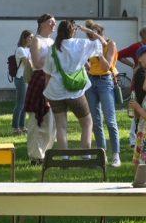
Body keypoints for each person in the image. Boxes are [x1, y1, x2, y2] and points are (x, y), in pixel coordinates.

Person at [44, 19, 114, 150]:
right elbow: (103, 43)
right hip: (75, 91)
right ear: (73, 31)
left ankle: (64, 157)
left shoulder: (52, 48)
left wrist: (46, 94)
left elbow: (47, 74)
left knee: (61, 126)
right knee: (87, 123)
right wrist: (89, 31)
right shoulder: (81, 43)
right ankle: (86, 154)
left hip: (55, 91)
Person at [82, 21, 122, 166]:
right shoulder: (91, 44)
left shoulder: (110, 44)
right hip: (92, 81)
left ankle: (116, 155)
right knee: (96, 121)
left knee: (110, 120)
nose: (90, 38)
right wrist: (85, 62)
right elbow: (89, 65)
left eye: (92, 35)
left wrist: (99, 52)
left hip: (105, 81)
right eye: (88, 36)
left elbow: (106, 67)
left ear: (99, 34)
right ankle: (102, 154)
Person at [24, 13, 56, 163]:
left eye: (54, 22)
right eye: (51, 22)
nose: (53, 24)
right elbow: (36, 63)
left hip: (52, 80)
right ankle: (35, 155)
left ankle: (46, 153)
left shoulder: (52, 41)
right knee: (37, 120)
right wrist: (53, 58)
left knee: (51, 120)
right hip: (40, 79)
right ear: (42, 24)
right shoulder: (37, 40)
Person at [10, 30, 33, 134]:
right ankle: (15, 127)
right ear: (24, 38)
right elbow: (28, 63)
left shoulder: (28, 50)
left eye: (32, 37)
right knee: (20, 103)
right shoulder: (20, 49)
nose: (32, 39)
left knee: (25, 103)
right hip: (21, 78)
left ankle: (22, 126)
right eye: (30, 37)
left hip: (27, 78)